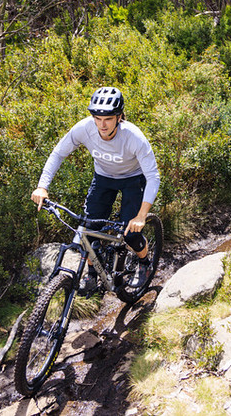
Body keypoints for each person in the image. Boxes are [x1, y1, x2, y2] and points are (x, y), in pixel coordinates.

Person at [31, 86, 159, 288]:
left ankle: (145, 263)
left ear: (119, 117)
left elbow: (153, 176)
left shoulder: (134, 137)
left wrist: (142, 215)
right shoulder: (83, 129)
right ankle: (92, 275)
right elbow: (58, 153)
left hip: (133, 179)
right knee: (87, 231)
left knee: (131, 234)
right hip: (103, 178)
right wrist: (42, 186)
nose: (102, 124)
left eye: (108, 118)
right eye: (97, 118)